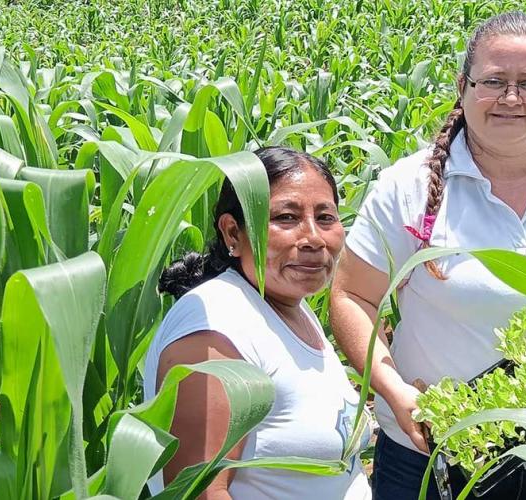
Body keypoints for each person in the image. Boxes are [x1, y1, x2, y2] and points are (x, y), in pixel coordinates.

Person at [329, 11, 526, 500]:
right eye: (493, 81)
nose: (511, 98)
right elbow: (351, 295)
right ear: (463, 86)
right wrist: (394, 390)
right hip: (426, 454)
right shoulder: (407, 187)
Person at [143, 147, 372, 500]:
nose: (313, 238)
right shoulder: (213, 329)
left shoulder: (288, 306)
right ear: (232, 233)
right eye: (286, 217)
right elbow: (199, 493)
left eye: (325, 217)